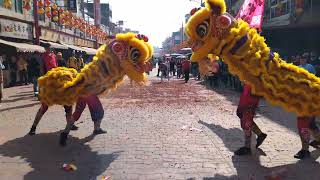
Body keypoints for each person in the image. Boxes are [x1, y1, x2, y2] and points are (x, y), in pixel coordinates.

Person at [28, 44, 77, 136]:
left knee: (68, 103)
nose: (48, 49)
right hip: (49, 83)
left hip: (58, 81)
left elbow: (56, 67)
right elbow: (42, 70)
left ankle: (70, 124)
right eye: (47, 48)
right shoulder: (42, 57)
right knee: (44, 107)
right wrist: (44, 83)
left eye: (49, 48)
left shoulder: (54, 56)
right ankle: (33, 127)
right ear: (45, 48)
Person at [294, 53, 320, 159]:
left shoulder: (310, 67)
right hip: (302, 98)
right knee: (311, 124)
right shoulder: (298, 68)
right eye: (301, 58)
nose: (302, 59)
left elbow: (314, 78)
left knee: (303, 124)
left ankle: (305, 150)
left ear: (306, 59)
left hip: (309, 99)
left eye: (304, 58)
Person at [234, 84, 267, 156]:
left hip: (248, 103)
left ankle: (247, 147)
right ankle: (260, 134)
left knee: (245, 124)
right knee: (247, 121)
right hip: (248, 100)